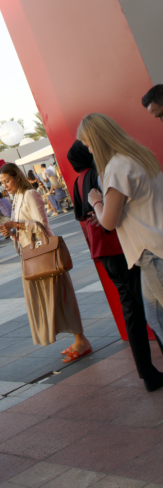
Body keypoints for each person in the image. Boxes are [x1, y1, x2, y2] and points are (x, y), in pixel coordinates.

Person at [67, 139, 163, 391]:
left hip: (102, 252)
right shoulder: (102, 174)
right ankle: (150, 372)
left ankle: (147, 373)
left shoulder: (78, 181)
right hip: (121, 247)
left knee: (132, 308)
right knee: (150, 306)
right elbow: (112, 215)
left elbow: (81, 215)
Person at [78, 112, 163, 353]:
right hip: (154, 245)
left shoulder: (116, 168)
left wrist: (96, 201)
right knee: (156, 318)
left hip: (151, 251)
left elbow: (108, 222)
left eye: (88, 145)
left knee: (158, 318)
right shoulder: (137, 155)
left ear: (98, 140)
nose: (90, 151)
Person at [0, 163, 91, 359]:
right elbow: (26, 229)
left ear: (17, 177)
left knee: (62, 296)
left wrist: (15, 224)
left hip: (45, 254)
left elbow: (42, 225)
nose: (5, 185)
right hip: (32, 254)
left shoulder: (30, 195)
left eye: (7, 180)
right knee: (54, 298)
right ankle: (78, 340)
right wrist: (12, 231)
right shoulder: (15, 198)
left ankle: (81, 340)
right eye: (2, 183)